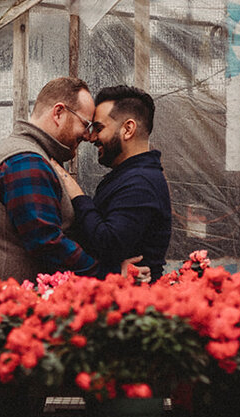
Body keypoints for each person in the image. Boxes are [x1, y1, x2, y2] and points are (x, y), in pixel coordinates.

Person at [0, 76, 99, 280]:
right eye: (85, 124)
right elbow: (47, 242)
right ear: (59, 113)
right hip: (13, 305)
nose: (88, 135)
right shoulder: (25, 161)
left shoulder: (33, 155)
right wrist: (105, 273)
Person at [52, 85, 172, 280]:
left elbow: (107, 243)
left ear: (128, 129)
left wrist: (77, 195)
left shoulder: (141, 183)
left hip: (134, 304)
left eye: (99, 128)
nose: (91, 138)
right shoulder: (129, 176)